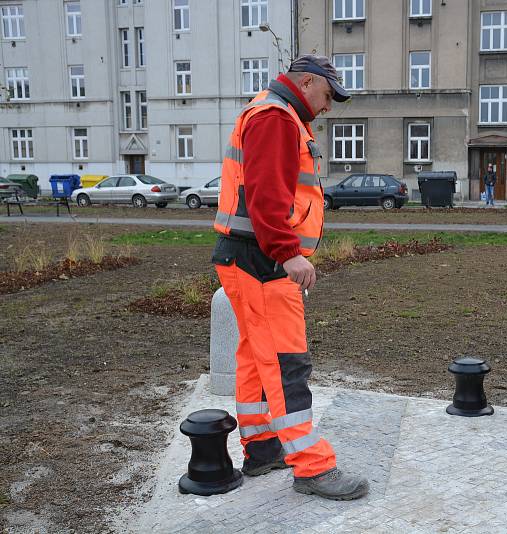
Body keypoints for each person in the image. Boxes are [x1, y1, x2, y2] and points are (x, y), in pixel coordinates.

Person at [212, 55, 369, 500]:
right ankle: (312, 467)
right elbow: (264, 195)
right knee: (285, 362)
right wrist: (288, 254)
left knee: (257, 357)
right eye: (327, 95)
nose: (329, 106)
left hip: (244, 257)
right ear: (306, 82)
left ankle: (262, 449)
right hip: (263, 260)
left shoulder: (267, 111)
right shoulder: (277, 118)